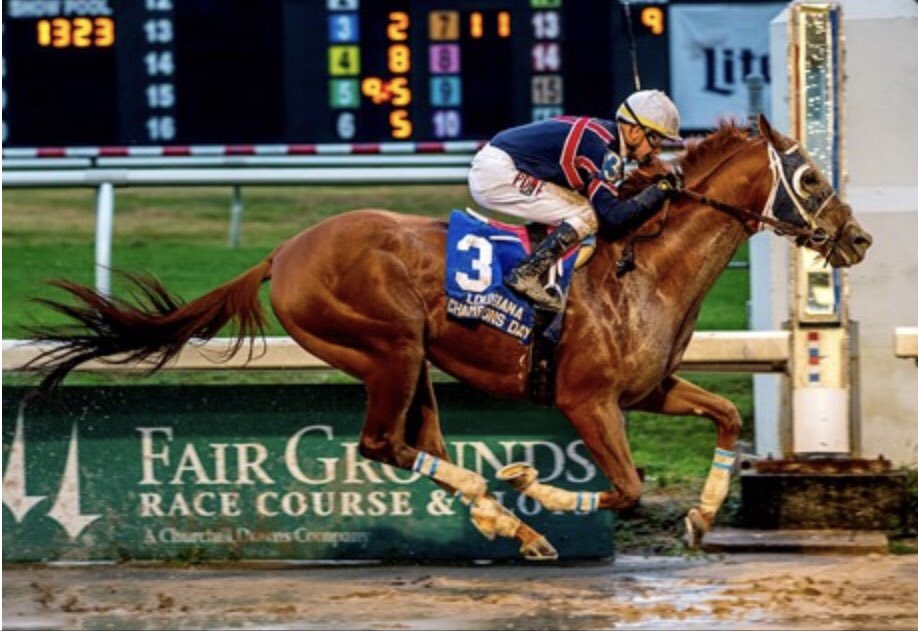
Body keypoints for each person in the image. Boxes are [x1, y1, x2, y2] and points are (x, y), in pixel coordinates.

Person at [468, 89, 683, 311]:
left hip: (501, 163)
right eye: (655, 140)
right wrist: (660, 190)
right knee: (586, 214)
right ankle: (526, 274)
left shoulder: (604, 137)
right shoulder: (605, 152)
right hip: (497, 172)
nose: (657, 150)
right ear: (635, 131)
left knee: (581, 211)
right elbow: (611, 218)